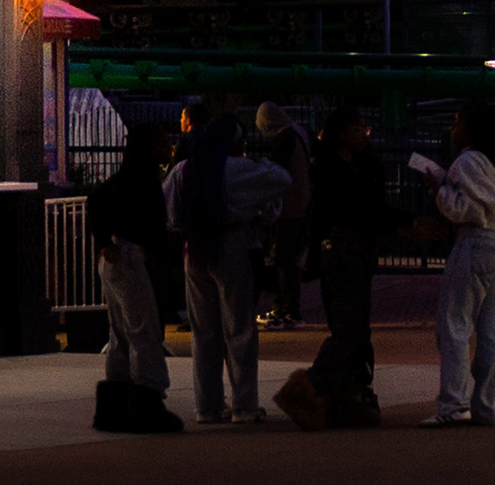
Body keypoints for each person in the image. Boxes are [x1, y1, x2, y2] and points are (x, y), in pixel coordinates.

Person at [163, 104, 291, 424]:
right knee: (240, 329)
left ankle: (207, 405)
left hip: (194, 249)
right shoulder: (238, 168)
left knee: (204, 332)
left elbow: (169, 212)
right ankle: (244, 404)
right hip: (231, 245)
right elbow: (281, 179)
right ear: (236, 142)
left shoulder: (184, 170)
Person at [420, 100, 495, 427]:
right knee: (491, 331)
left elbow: (460, 210)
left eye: (457, 122)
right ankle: (487, 408)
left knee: (454, 326)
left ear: (470, 129)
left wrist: (439, 191)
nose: (453, 129)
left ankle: (453, 404)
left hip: (476, 242)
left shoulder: (466, 162)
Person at [298, 106, 394, 428]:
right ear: (341, 133)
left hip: (355, 251)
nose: (364, 134)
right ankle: (314, 386)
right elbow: (352, 210)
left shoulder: (361, 167)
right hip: (341, 251)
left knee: (355, 326)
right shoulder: (328, 169)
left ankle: (346, 395)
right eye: (358, 128)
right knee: (349, 327)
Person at [88, 121, 185, 433]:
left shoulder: (128, 177)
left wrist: (103, 241)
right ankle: (148, 400)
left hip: (116, 256)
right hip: (131, 257)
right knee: (144, 330)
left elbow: (96, 199)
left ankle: (115, 403)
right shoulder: (143, 180)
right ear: (150, 146)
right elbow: (153, 227)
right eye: (163, 141)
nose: (169, 148)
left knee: (121, 332)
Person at [253, 102, 315, 330]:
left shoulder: (284, 138)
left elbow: (276, 171)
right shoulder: (299, 132)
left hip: (289, 207)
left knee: (283, 260)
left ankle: (285, 309)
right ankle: (291, 308)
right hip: (302, 203)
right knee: (293, 262)